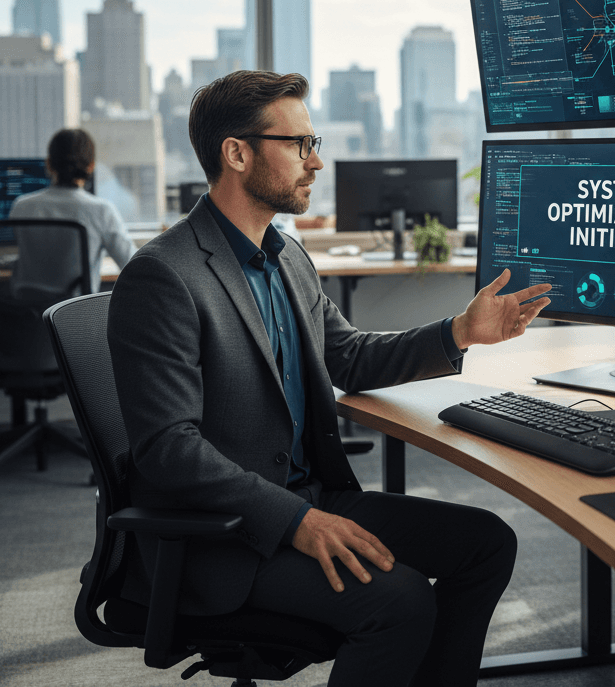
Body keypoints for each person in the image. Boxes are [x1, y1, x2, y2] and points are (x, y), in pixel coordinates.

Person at [106, 69, 551, 687]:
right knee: (400, 602)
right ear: (237, 153)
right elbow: (168, 451)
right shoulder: (165, 276)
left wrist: (459, 333)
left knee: (486, 544)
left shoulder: (287, 255)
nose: (316, 163)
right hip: (224, 539)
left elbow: (349, 357)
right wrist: (297, 522)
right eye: (300, 145)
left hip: (311, 496)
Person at [10, 128, 136, 300]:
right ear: (91, 166)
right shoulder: (101, 210)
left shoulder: (21, 206)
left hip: (25, 316)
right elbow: (133, 264)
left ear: (49, 164)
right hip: (73, 318)